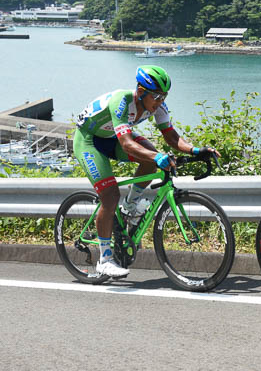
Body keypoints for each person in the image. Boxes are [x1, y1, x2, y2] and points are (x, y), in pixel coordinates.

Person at [73, 65, 218, 277]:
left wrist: (197, 150)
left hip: (111, 138)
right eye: (157, 96)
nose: (160, 101)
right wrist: (158, 156)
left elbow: (171, 137)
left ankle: (129, 207)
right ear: (141, 91)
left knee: (151, 157)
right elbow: (126, 144)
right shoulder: (122, 101)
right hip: (89, 141)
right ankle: (104, 259)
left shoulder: (158, 106)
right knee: (110, 195)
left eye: (164, 96)